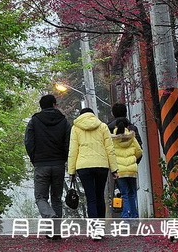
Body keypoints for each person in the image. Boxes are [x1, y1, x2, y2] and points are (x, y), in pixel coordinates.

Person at [24, 94, 70, 229]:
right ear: (54, 105)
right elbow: (68, 143)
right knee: (56, 198)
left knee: (40, 197)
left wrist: (34, 157)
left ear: (41, 106)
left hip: (41, 164)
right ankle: (56, 230)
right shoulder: (63, 121)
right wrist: (64, 158)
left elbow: (28, 142)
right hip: (58, 164)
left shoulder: (34, 121)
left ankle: (49, 216)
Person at [68, 108, 118, 229]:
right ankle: (100, 228)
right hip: (101, 165)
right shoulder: (102, 126)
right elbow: (109, 149)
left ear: (81, 116)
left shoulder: (76, 128)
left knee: (91, 198)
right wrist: (114, 169)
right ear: (93, 115)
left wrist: (71, 171)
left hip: (84, 166)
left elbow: (73, 150)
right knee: (100, 196)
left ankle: (94, 229)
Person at [111, 119, 143, 218]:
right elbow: (139, 151)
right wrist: (133, 159)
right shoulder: (132, 137)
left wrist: (113, 168)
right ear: (127, 127)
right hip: (132, 170)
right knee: (132, 194)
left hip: (120, 171)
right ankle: (134, 216)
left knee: (124, 194)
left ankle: (125, 217)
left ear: (116, 127)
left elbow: (111, 154)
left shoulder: (113, 139)